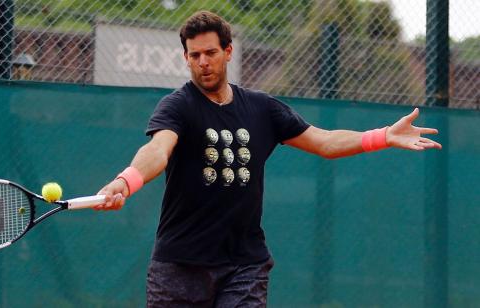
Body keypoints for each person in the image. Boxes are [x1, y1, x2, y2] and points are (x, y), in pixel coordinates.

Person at [95, 10, 442, 307]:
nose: (203, 62)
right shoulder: (177, 107)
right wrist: (126, 181)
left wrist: (383, 136)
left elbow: (324, 141)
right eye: (194, 55)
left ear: (228, 51)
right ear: (186, 57)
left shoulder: (262, 108)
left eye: (211, 53)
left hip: (244, 265)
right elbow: (158, 150)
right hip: (180, 266)